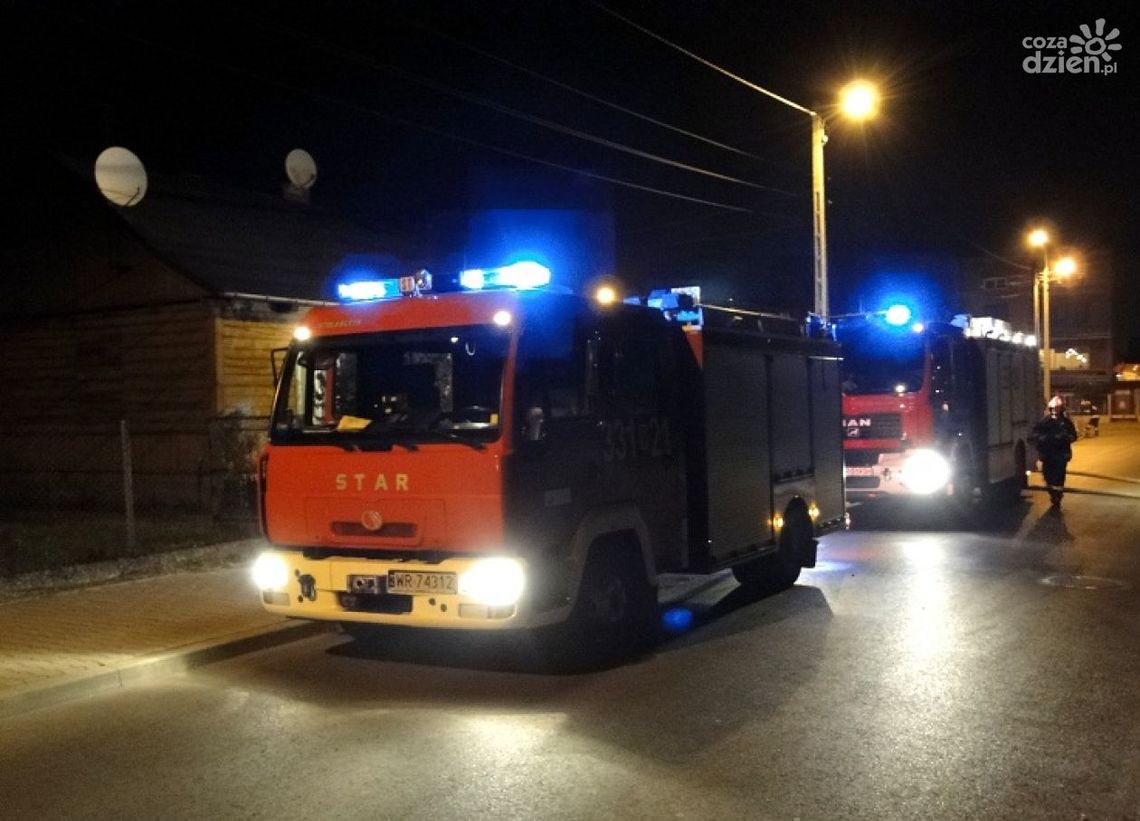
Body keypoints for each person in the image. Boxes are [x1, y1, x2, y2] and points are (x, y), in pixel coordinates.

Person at [1030, 396, 1078, 507]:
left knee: (1059, 476)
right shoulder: (1044, 422)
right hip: (1047, 455)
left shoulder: (1066, 422)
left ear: (1061, 409)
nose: (1055, 411)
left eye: (1058, 408)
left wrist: (1064, 437)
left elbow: (1073, 436)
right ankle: (1053, 493)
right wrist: (1042, 438)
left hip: (1061, 455)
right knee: (1047, 476)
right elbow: (1035, 434)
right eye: (1053, 408)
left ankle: (1057, 495)